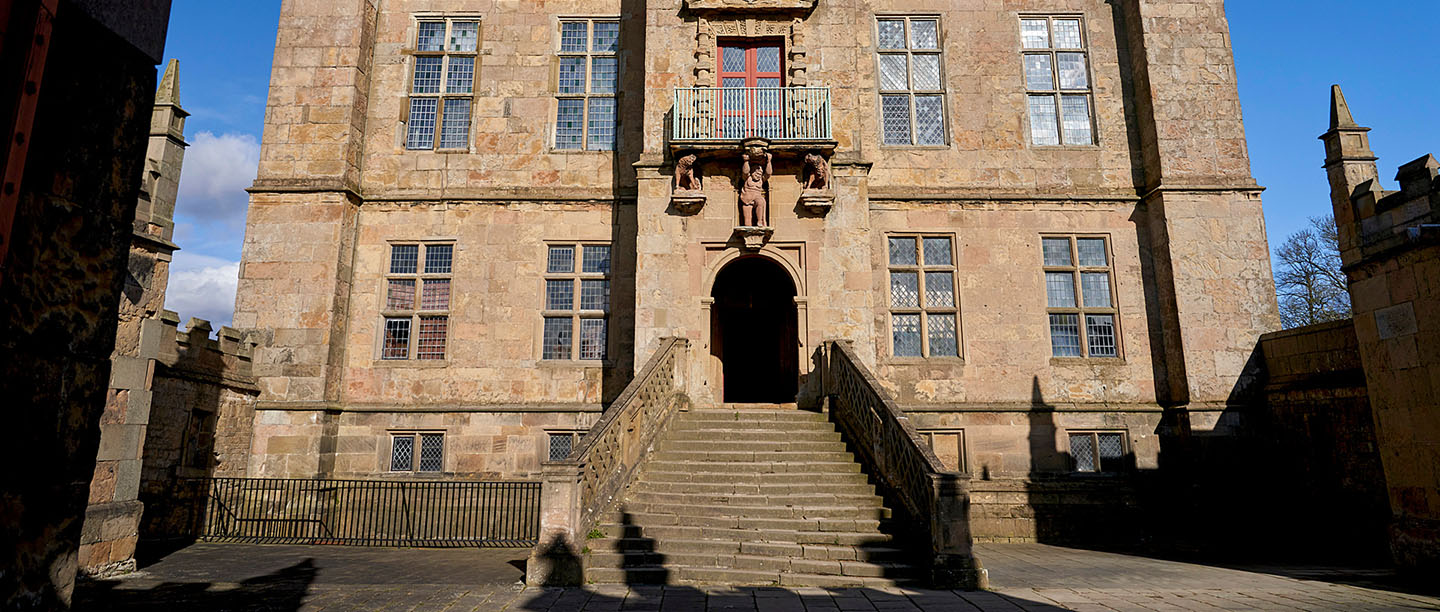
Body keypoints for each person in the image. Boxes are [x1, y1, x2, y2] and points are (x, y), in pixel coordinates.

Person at [739, 149, 771, 227]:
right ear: (752, 172)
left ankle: (760, 221)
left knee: (761, 201)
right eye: (756, 173)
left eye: (760, 174)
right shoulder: (747, 178)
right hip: (746, 199)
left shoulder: (761, 180)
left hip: (756, 197)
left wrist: (769, 161)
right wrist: (746, 161)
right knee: (747, 221)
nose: (758, 175)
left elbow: (768, 173)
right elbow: (745, 172)